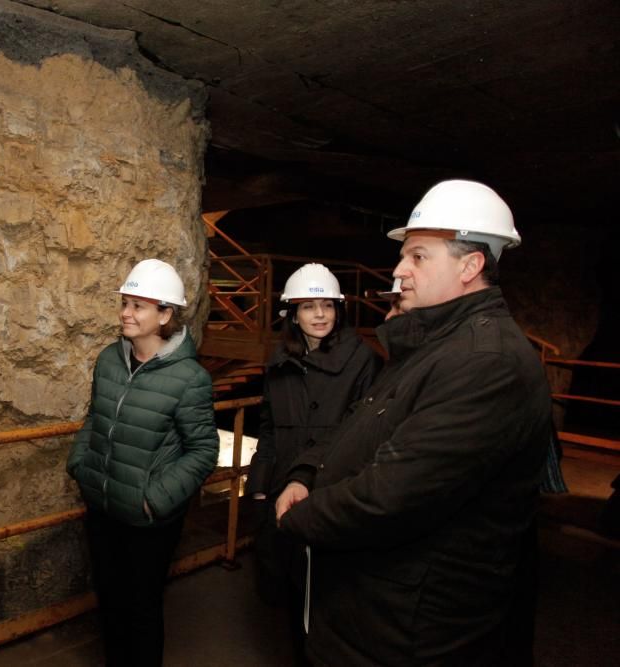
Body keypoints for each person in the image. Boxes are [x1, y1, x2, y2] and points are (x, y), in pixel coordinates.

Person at [275, 180, 553, 665]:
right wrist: (306, 472)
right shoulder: (433, 344)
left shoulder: (485, 362)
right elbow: (360, 425)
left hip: (409, 629)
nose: (400, 269)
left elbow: (392, 497)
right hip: (372, 608)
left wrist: (299, 518)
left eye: (419, 257)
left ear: (471, 266)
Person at [66, 258, 219, 667]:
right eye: (125, 303)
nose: (126, 313)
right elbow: (95, 418)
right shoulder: (109, 360)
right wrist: (81, 465)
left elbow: (204, 450)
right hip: (102, 508)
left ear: (165, 314)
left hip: (148, 522)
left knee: (142, 610)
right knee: (110, 604)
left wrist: (154, 500)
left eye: (138, 306)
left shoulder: (189, 379)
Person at [245, 263, 377, 663]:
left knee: (324, 597)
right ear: (292, 314)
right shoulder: (279, 362)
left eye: (327, 306)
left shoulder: (362, 361)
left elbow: (362, 433)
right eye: (309, 307)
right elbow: (268, 429)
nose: (320, 315)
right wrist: (259, 482)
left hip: (330, 487)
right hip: (282, 487)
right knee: (281, 586)